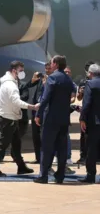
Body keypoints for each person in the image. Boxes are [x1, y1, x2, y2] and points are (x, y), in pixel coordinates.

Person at [0, 61, 37, 177]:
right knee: (2, 143)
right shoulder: (10, 85)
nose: (22, 73)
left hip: (10, 116)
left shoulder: (8, 82)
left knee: (16, 142)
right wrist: (32, 107)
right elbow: (16, 101)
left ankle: (21, 166)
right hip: (8, 118)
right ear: (14, 70)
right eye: (20, 70)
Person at [34, 55, 75, 184]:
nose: (50, 65)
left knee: (47, 147)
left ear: (56, 64)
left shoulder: (52, 78)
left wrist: (38, 114)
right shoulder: (68, 80)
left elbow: (45, 99)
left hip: (51, 118)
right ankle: (60, 176)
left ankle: (43, 175)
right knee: (62, 149)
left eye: (51, 63)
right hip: (64, 119)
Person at [78, 63, 100, 183]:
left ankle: (91, 175)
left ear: (90, 73)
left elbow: (86, 103)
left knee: (91, 149)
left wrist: (82, 118)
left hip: (94, 122)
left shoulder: (90, 84)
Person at [30, 62, 52, 163]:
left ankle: (45, 158)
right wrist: (34, 78)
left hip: (46, 111)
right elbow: (30, 84)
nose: (47, 71)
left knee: (45, 136)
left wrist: (46, 83)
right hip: (36, 109)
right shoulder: (41, 79)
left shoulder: (52, 80)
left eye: (49, 69)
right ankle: (38, 157)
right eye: (46, 69)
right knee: (35, 135)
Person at [76, 60, 96, 164]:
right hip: (85, 111)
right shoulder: (83, 82)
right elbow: (79, 98)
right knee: (83, 136)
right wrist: (81, 92)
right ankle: (83, 155)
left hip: (95, 112)